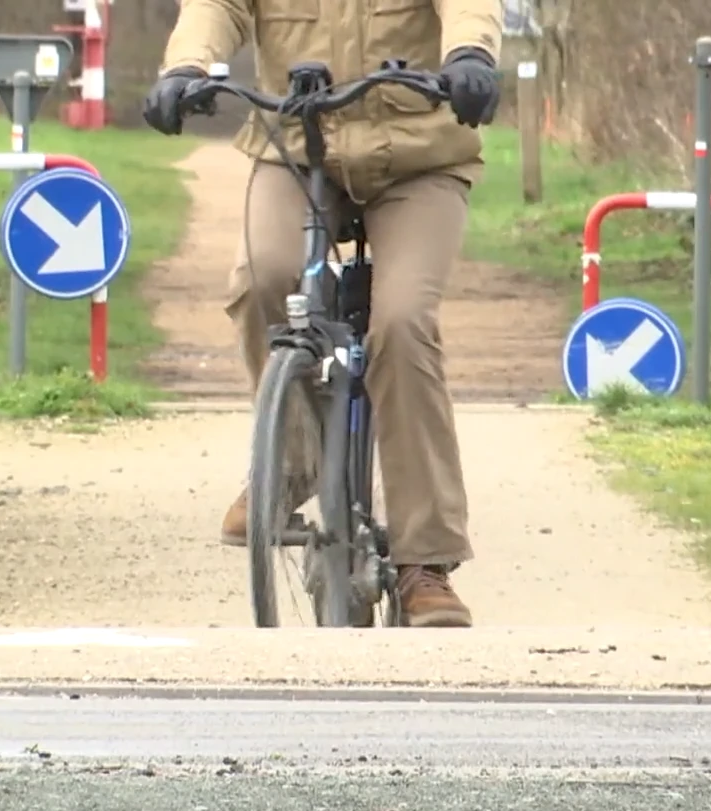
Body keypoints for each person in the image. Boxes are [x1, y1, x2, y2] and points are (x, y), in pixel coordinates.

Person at [141, 0, 504, 630]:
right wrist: (184, 68)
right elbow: (216, 7)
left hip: (420, 158)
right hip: (296, 149)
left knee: (402, 322)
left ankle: (426, 563)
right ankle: (288, 468)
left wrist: (470, 57)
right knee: (262, 279)